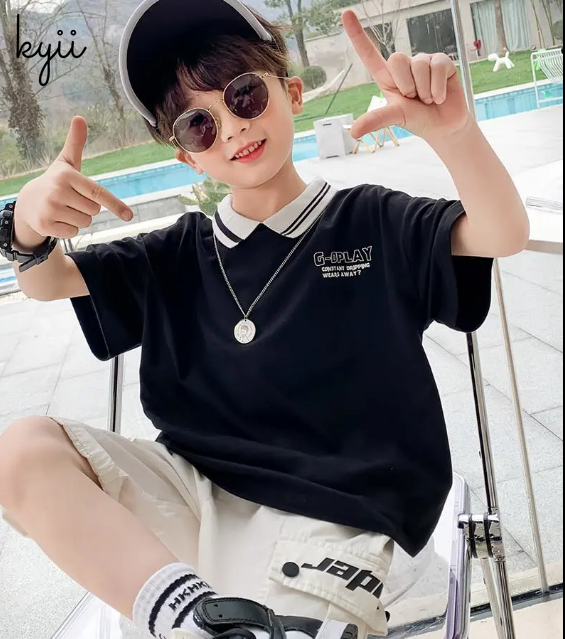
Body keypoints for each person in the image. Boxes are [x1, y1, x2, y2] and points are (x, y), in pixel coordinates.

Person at [0, 0, 530, 638]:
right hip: (190, 496)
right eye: (199, 125)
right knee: (19, 452)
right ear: (186, 157)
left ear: (292, 93)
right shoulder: (175, 254)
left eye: (244, 95)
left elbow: (501, 232)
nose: (230, 128)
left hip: (335, 514)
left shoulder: (372, 222)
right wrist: (24, 224)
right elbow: (46, 281)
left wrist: (454, 134)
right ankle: (190, 616)